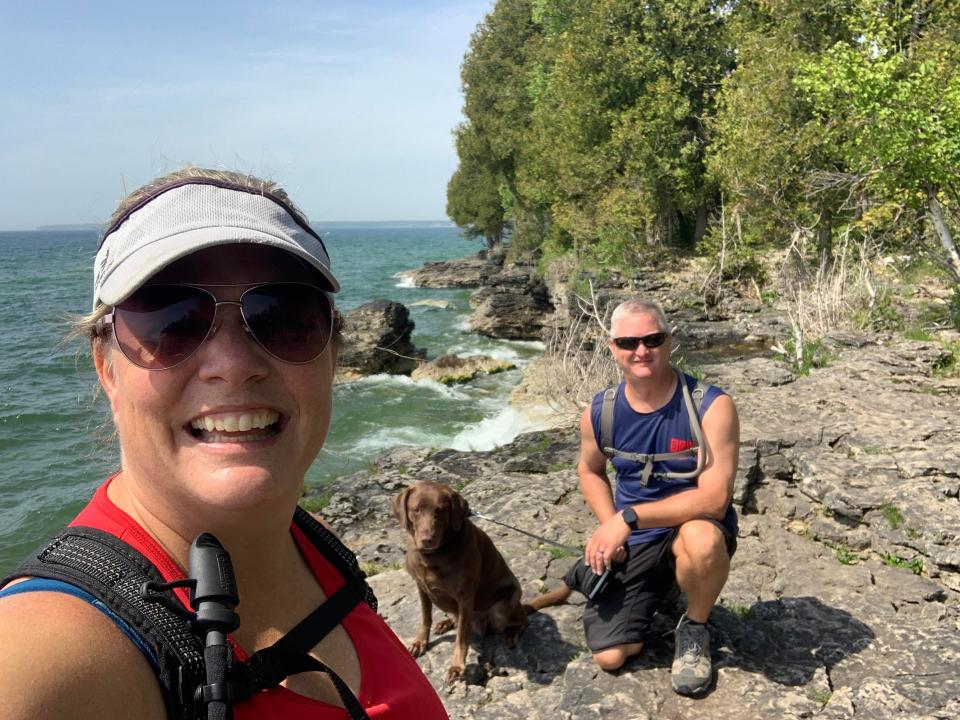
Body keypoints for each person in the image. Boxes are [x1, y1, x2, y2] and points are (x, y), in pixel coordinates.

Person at [0, 168, 449, 720]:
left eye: (285, 317)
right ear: (106, 370)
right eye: (172, 320)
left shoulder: (318, 546)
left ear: (333, 354)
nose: (234, 366)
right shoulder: (49, 656)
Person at [578, 298, 740, 697]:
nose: (641, 350)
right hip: (640, 539)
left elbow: (715, 500)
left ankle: (695, 627)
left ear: (669, 341)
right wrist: (609, 522)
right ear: (612, 347)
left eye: (652, 338)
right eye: (628, 342)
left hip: (693, 525)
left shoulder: (710, 406)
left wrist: (626, 519)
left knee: (701, 540)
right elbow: (590, 470)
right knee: (612, 656)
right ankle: (666, 582)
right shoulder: (601, 412)